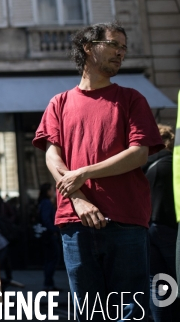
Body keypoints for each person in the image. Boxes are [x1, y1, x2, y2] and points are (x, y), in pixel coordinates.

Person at [33, 22, 164, 321]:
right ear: (88, 47)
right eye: (114, 45)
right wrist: (78, 198)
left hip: (126, 219)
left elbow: (139, 154)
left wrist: (84, 172)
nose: (121, 53)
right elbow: (52, 155)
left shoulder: (132, 99)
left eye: (124, 48)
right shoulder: (59, 103)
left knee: (130, 313)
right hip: (75, 221)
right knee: (89, 313)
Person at [143, 124, 179, 320]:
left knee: (158, 283)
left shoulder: (140, 166)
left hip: (146, 228)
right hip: (170, 228)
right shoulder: (172, 164)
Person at [36, 182, 59, 291]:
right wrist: (54, 230)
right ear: (48, 191)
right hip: (49, 235)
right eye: (51, 189)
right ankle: (48, 284)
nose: (53, 192)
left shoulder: (43, 202)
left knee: (50, 259)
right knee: (52, 259)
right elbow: (46, 219)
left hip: (47, 235)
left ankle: (49, 283)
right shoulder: (46, 203)